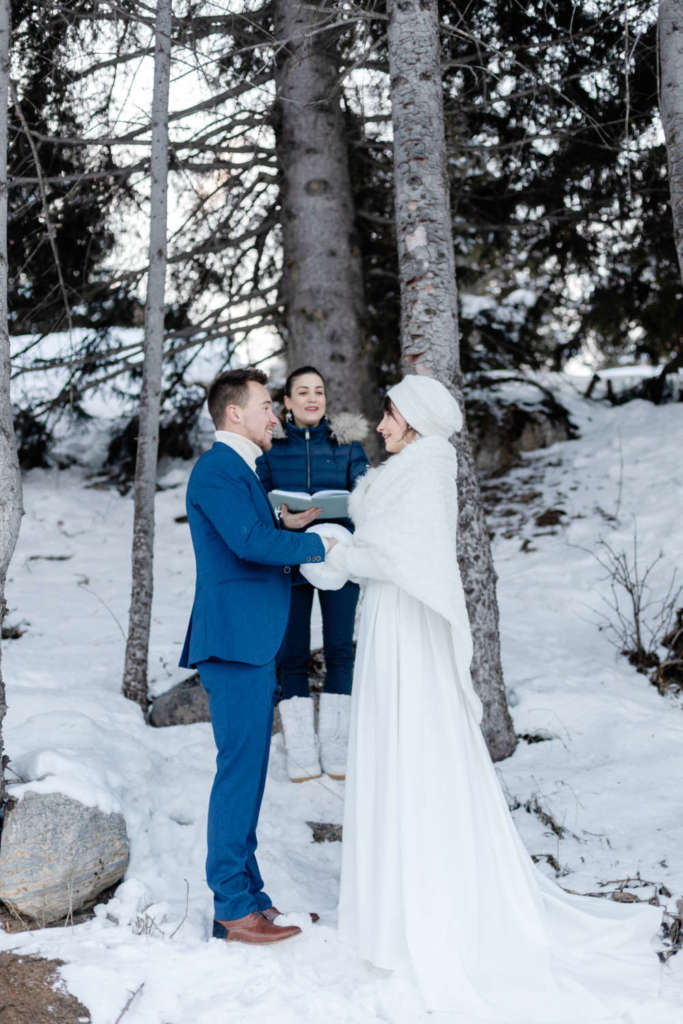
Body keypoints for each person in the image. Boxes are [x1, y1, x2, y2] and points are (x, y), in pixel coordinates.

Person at [312, 374, 662, 1021]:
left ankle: (424, 907)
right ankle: (395, 905)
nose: (380, 424)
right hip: (389, 620)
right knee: (394, 748)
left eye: (388, 414)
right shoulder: (408, 467)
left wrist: (335, 550)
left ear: (411, 419)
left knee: (413, 748)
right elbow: (379, 547)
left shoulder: (426, 467)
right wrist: (336, 547)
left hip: (407, 627)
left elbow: (395, 554)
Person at [179, 368, 335, 946]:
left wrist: (285, 524)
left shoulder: (241, 469)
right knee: (238, 777)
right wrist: (319, 542)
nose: (277, 415)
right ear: (234, 414)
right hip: (235, 644)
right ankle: (232, 908)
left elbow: (250, 533)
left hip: (251, 642)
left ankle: (252, 898)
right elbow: (247, 544)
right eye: (267, 406)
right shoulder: (218, 469)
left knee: (247, 778)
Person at [256, 366, 369, 782]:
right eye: (301, 392)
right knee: (293, 655)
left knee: (341, 648)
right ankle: (301, 747)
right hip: (290, 560)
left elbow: (367, 499)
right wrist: (283, 519)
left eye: (318, 391)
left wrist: (352, 520)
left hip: (340, 559)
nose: (311, 398)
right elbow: (257, 502)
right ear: (286, 402)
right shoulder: (269, 447)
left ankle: (337, 744)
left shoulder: (348, 445)